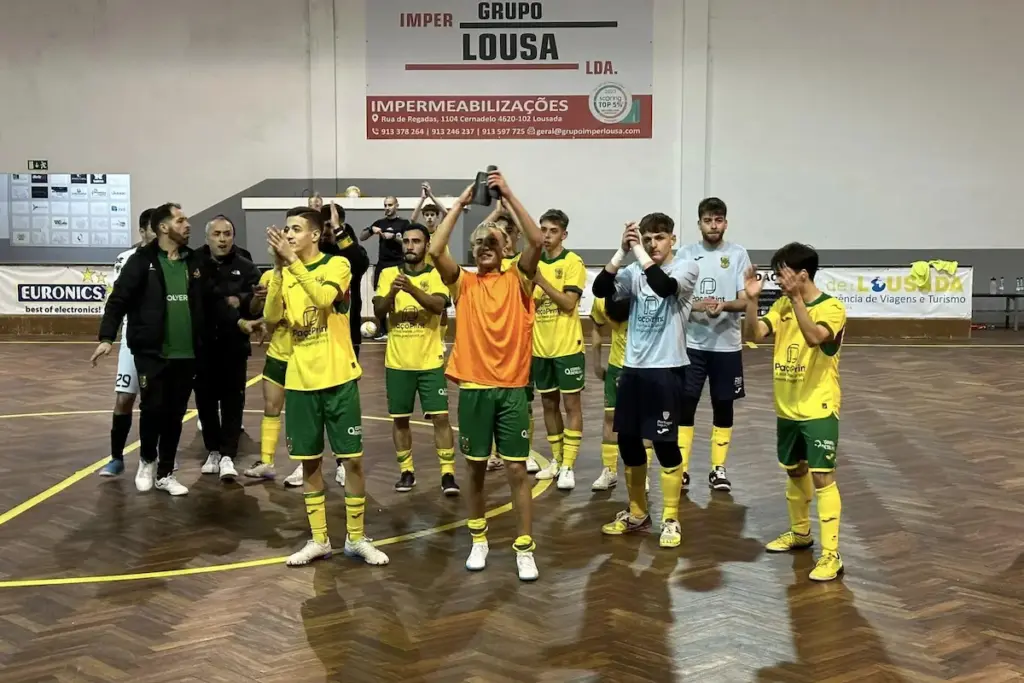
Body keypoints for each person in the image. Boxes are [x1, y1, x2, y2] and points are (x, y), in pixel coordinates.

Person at [93, 203, 257, 495]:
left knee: (175, 414)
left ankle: (165, 472)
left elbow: (214, 300)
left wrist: (241, 321)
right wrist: (107, 337)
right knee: (153, 409)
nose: (187, 225)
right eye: (181, 220)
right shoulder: (142, 262)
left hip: (188, 353)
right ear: (164, 227)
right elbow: (118, 301)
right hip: (152, 353)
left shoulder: (194, 262)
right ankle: (147, 459)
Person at [428, 169, 543, 581]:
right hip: (475, 388)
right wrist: (459, 205)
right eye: (477, 244)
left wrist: (508, 195)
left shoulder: (520, 277)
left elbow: (536, 241)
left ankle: (524, 547)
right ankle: (479, 539)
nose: (483, 248)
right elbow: (436, 249)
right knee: (475, 468)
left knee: (515, 470)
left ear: (505, 246)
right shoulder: (465, 283)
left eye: (490, 242)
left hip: (511, 388)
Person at [264, 208, 388, 567]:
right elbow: (272, 318)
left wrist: (293, 265)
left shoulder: (338, 265)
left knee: (352, 460)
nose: (288, 235)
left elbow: (321, 299)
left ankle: (356, 538)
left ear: (316, 235)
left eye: (297, 229)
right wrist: (276, 271)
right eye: (286, 229)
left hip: (338, 378)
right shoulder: (287, 272)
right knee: (310, 463)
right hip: (301, 381)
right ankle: (319, 539)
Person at [591, 214, 699, 548]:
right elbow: (600, 289)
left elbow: (664, 287)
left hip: (667, 369)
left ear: (673, 239)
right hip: (634, 368)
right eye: (648, 238)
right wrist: (619, 253)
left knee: (665, 444)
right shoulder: (634, 269)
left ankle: (670, 517)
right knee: (628, 442)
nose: (653, 244)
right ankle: (638, 514)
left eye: (660, 238)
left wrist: (638, 252)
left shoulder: (686, 268)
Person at [742, 243, 846, 582]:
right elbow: (754, 334)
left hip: (818, 405)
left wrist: (797, 301)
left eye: (783, 274)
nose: (779, 281)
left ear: (802, 275)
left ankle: (832, 555)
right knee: (794, 470)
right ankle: (801, 534)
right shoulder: (784, 305)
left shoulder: (832, 308)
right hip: (786, 407)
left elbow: (816, 338)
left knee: (822, 476)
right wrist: (752, 301)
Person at [373, 223, 459, 496]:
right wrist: (392, 293)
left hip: (430, 362)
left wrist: (410, 289)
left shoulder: (435, 274)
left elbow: (438, 305)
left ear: (426, 244)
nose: (410, 246)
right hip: (398, 363)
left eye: (416, 241)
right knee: (400, 420)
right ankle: (406, 471)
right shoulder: (388, 273)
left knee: (441, 418)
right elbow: (378, 311)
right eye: (406, 241)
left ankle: (448, 474)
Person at [676, 197, 752, 492]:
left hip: (727, 346)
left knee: (724, 405)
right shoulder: (685, 253)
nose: (713, 225)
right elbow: (677, 297)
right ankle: (681, 469)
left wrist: (725, 305)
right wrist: (695, 305)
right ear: (699, 224)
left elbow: (745, 300)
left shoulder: (737, 254)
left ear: (725, 223)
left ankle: (718, 469)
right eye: (708, 220)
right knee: (686, 405)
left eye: (718, 220)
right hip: (692, 344)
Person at [195, 216, 263, 481]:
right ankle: (213, 450)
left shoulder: (245, 266)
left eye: (227, 234)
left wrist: (249, 299)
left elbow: (255, 303)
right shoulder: (195, 263)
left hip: (233, 346)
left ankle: (227, 456)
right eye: (217, 234)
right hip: (201, 345)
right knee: (205, 401)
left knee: (233, 401)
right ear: (207, 237)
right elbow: (201, 300)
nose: (222, 239)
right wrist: (230, 303)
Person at [528, 209, 587, 490]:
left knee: (571, 405)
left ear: (563, 234)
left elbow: (568, 303)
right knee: (548, 404)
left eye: (552, 231)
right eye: (543, 230)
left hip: (567, 347)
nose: (546, 236)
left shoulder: (573, 262)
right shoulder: (531, 262)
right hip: (540, 348)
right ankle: (556, 459)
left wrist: (540, 281)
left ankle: (569, 465)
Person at [99, 208, 157, 477]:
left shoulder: (175, 259)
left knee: (156, 401)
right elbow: (119, 300)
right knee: (124, 398)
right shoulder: (127, 259)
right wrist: (108, 338)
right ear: (142, 231)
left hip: (161, 343)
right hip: (132, 340)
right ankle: (116, 457)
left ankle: (155, 456)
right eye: (153, 229)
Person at [588, 296, 653, 491]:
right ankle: (609, 470)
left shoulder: (646, 300)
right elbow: (596, 328)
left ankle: (644, 474)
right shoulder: (601, 301)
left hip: (643, 367)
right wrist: (596, 363)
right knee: (610, 416)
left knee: (645, 420)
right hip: (616, 366)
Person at [320, 201, 369, 361]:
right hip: (317, 329)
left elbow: (360, 264)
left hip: (347, 325)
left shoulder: (353, 249)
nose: (325, 231)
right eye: (322, 225)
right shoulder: (314, 251)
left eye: (329, 225)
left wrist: (338, 231)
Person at [360, 196, 410, 340]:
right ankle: (382, 330)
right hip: (383, 264)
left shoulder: (404, 223)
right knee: (380, 298)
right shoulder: (380, 223)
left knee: (401, 296)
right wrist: (371, 229)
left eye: (390, 205)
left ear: (396, 206)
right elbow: (362, 237)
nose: (387, 208)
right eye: (385, 205)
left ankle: (401, 327)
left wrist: (393, 237)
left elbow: (407, 242)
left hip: (399, 264)